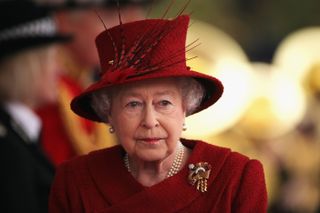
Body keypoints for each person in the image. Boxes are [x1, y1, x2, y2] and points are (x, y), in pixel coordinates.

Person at [49, 3, 268, 212]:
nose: (150, 120)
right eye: (132, 104)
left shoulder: (236, 178)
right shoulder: (75, 182)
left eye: (164, 103)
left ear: (185, 108)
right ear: (109, 115)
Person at [35, 0, 153, 167]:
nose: (130, 23)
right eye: (113, 14)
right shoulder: (45, 93)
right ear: (64, 19)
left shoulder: (85, 80)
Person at [0, 1, 71, 212]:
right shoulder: (6, 148)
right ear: (25, 66)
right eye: (50, 59)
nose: (59, 69)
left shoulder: (17, 130)